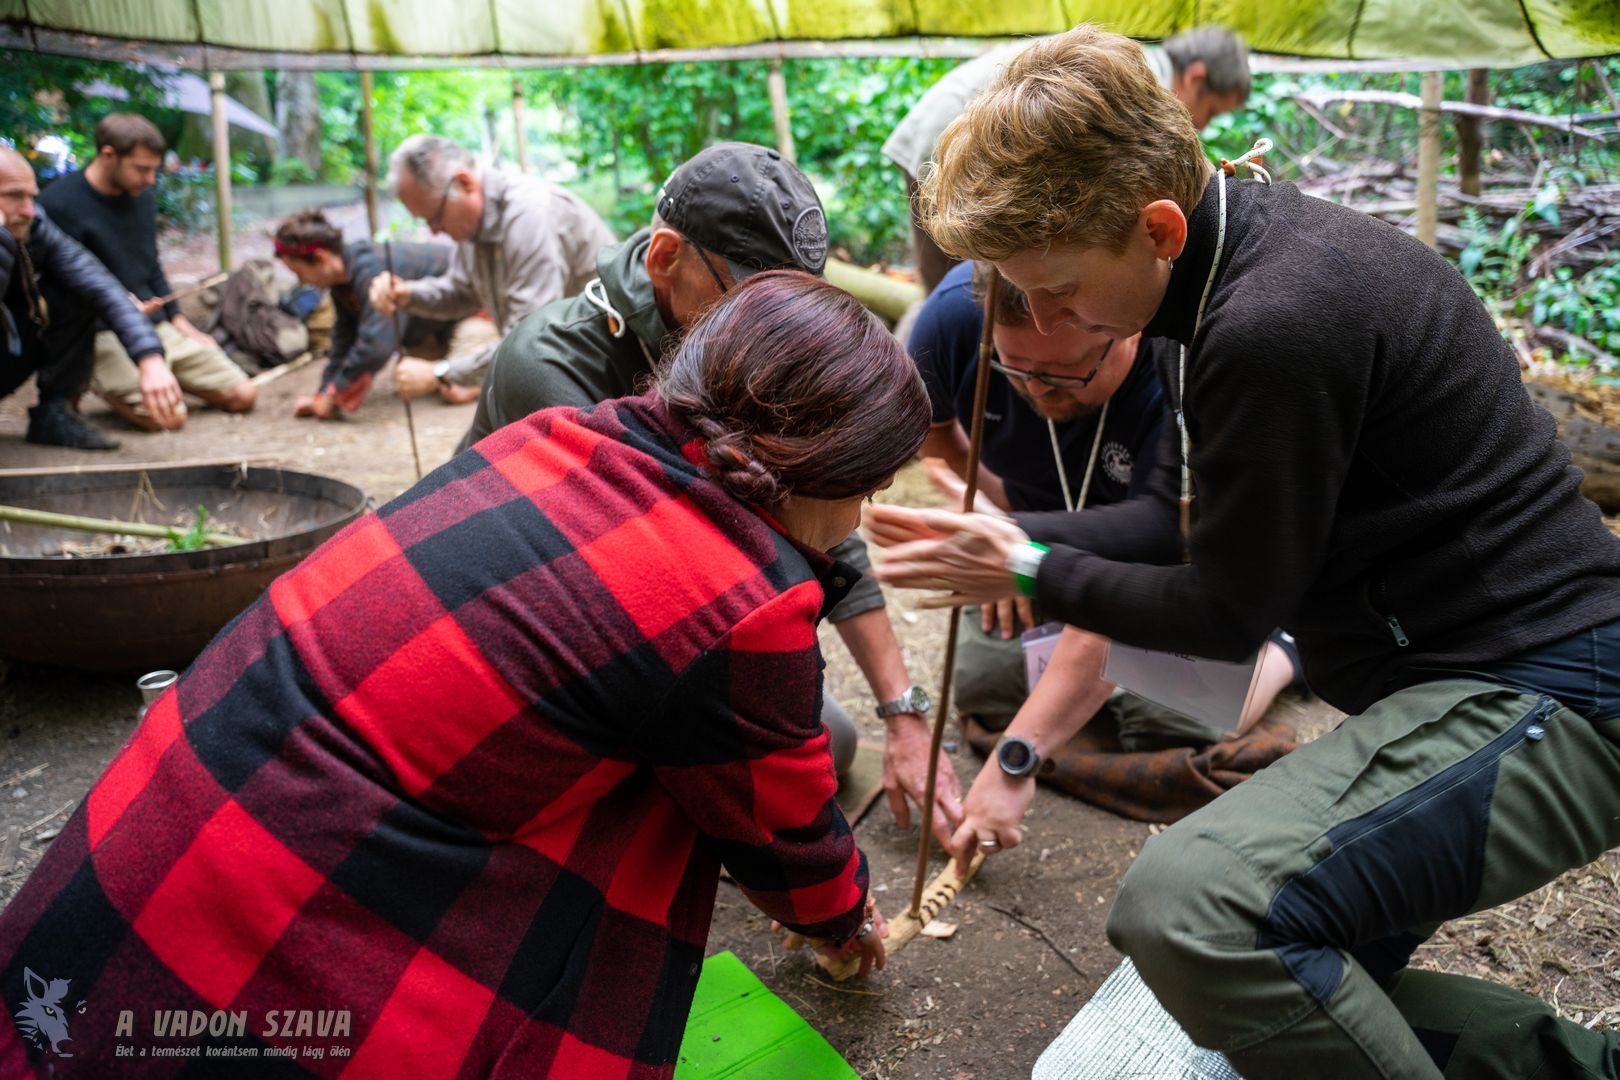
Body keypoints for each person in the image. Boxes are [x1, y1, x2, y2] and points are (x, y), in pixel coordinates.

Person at [866, 25, 1620, 1078]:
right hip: (1461, 683)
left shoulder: (1271, 318)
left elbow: (1225, 607)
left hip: (1548, 689)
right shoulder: (1235, 271)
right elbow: (1198, 534)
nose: (1045, 321)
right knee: (1257, 991)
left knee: (1191, 907)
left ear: (1157, 227)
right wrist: (1020, 540)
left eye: (1059, 292)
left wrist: (1027, 566)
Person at [0, 271, 919, 1076]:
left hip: (122, 876)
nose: (862, 515)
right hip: (246, 965)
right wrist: (843, 923)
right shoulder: (734, 600)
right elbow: (783, 833)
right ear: (819, 466)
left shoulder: (555, 437)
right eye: (868, 489)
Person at [470, 142, 963, 847]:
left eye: (792, 305)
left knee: (833, 742)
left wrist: (905, 712)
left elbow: (819, 510)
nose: (775, 331)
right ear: (666, 257)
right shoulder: (549, 364)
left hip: (671, 624)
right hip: (546, 642)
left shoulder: (754, 345)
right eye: (750, 298)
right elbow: (644, 594)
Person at [910, 260, 1301, 820]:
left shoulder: (1182, 356)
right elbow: (934, 429)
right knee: (982, 683)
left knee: (1175, 718)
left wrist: (1016, 547)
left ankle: (1284, 648)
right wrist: (1002, 517)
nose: (1038, 389)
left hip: (1163, 556)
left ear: (1128, 329)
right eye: (1015, 369)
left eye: (1064, 371)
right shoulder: (952, 317)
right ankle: (1096, 688)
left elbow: (1158, 529)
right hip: (1040, 532)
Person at [884, 26, 1250, 292]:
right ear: (1196, 76)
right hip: (947, 138)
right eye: (1211, 111)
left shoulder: (1130, 60)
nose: (1201, 123)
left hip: (937, 130)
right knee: (962, 289)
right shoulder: (1142, 79)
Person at [36, 113, 257, 432]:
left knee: (243, 394)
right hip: (98, 332)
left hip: (151, 325)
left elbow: (151, 265)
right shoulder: (57, 204)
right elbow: (57, 292)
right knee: (168, 418)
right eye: (142, 168)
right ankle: (96, 378)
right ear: (108, 154)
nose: (151, 179)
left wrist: (180, 321)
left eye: (155, 169)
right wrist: (120, 310)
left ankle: (163, 374)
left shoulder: (142, 198)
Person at [368, 134, 614, 403]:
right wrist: (407, 294)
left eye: (434, 218)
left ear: (464, 183)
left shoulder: (528, 217)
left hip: (600, 369)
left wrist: (440, 372)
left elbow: (529, 343)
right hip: (554, 361)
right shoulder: (470, 226)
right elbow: (461, 291)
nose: (434, 231)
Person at [0, 146, 164, 450]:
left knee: (76, 291)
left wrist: (149, 356)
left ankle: (55, 415)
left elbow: (97, 282)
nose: (28, 210)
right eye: (13, 196)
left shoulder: (37, 227)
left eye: (31, 197)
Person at [273, 208, 499, 418]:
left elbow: (377, 344)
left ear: (321, 258)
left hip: (474, 317)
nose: (300, 281)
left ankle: (483, 379)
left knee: (454, 389)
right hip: (436, 330)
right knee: (419, 376)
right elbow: (344, 340)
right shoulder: (342, 284)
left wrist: (335, 396)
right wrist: (323, 393)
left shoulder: (371, 267)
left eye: (298, 272)